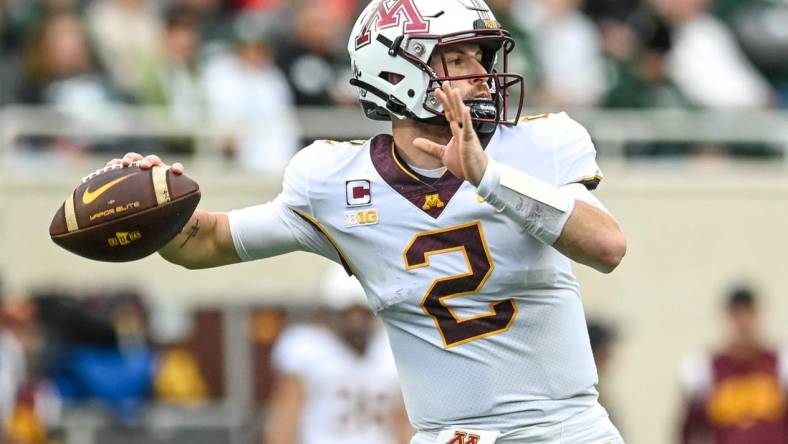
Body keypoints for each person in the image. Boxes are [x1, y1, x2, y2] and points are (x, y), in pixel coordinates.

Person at [107, 0, 627, 442]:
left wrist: (488, 177)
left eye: (482, 57)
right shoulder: (333, 182)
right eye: (458, 57)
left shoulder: (541, 143)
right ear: (396, 70)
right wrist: (153, 206)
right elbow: (207, 243)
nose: (482, 73)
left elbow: (606, 247)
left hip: (567, 431)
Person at [263, 265, 411, 444]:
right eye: (348, 313)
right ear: (332, 313)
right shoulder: (309, 348)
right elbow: (285, 420)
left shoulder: (389, 350)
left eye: (362, 314)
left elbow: (401, 423)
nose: (356, 323)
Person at [677, 286, 788, 444]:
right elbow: (689, 430)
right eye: (736, 315)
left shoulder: (779, 364)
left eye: (748, 313)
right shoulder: (705, 370)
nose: (743, 323)